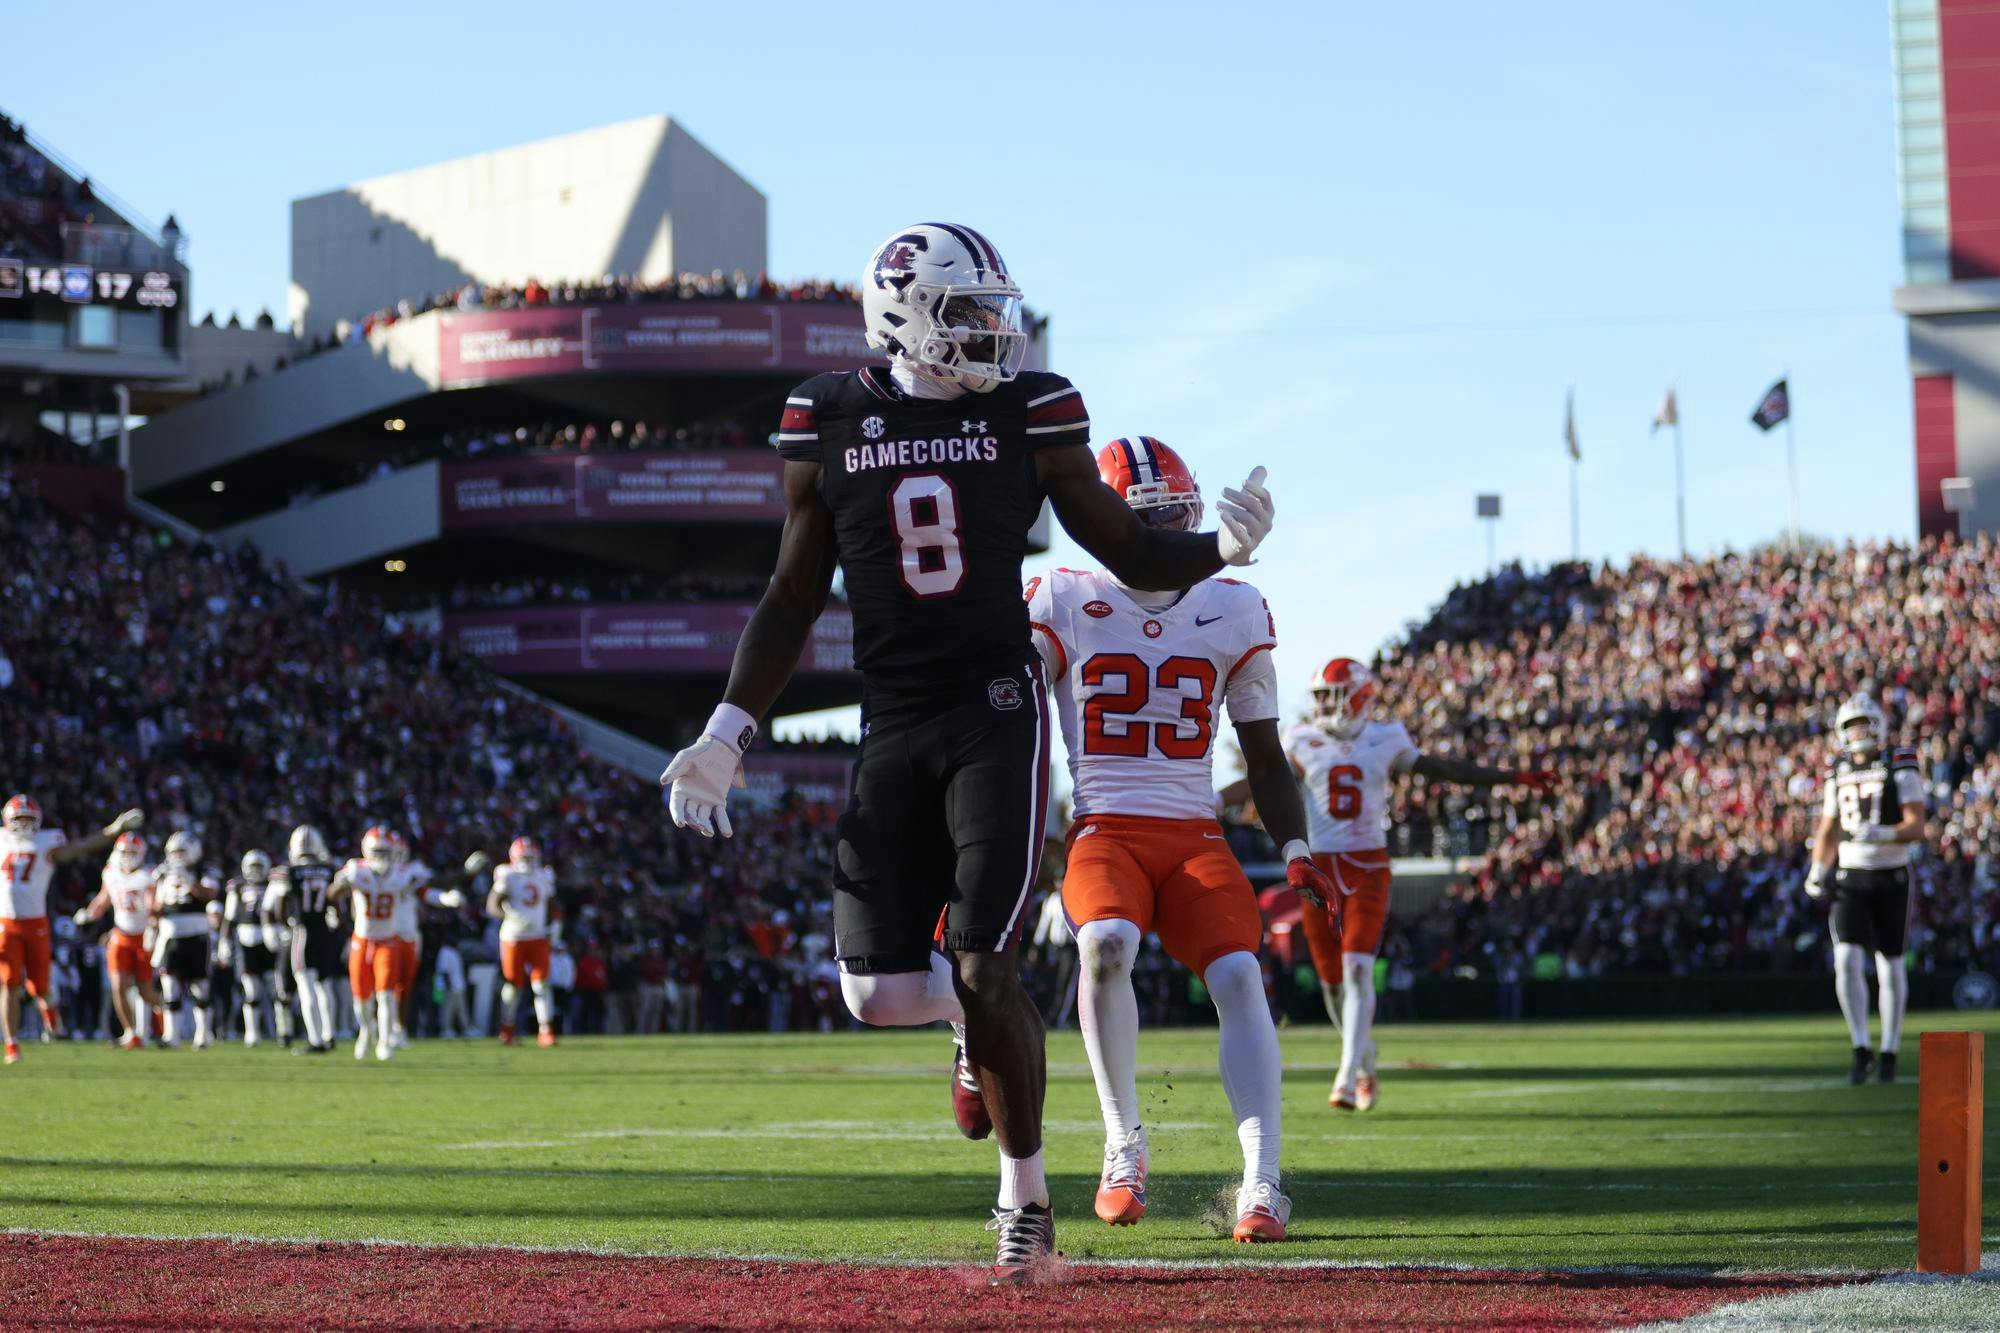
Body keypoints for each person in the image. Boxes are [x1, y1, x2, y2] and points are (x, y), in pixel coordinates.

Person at [660, 222, 1275, 1283]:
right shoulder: (827, 414)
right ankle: (968, 1022)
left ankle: (1025, 1199)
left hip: (995, 707)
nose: (993, 332)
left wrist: (1217, 549)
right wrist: (726, 729)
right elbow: (794, 592)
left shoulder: (1028, 408)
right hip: (889, 718)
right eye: (965, 313)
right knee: (874, 994)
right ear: (899, 311)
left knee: (990, 961)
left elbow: (1120, 543)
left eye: (996, 309)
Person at [1028, 437, 1337, 1243]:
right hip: (1105, 827)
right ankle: (1122, 1140)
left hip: (1196, 833)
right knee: (1104, 945)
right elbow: (1007, 719)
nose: (1165, 535)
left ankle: (1263, 1181)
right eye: (1147, 520)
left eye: (1175, 519)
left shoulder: (1232, 607)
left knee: (1240, 972)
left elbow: (1265, 754)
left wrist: (1298, 847)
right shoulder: (1060, 595)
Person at [1283, 659, 1554, 1111]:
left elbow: (1445, 769)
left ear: (1359, 695)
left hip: (1368, 865)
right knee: (1332, 985)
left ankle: (1347, 1076)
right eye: (1323, 697)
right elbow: (1265, 782)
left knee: (1357, 969)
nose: (1327, 705)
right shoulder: (1299, 738)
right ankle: (1366, 1060)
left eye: (1334, 694)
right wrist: (1211, 797)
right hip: (1320, 868)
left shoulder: (1387, 737)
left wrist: (1511, 778)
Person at [1806, 694, 1928, 1084]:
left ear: (1877, 724)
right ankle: (1861, 1048)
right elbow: (1828, 826)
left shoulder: (1899, 760)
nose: (1858, 731)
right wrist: (1817, 867)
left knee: (1890, 967)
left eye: (1864, 722)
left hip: (1891, 874)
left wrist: (1885, 832)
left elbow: (1917, 826)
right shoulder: (1837, 768)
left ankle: (1889, 1051)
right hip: (1850, 876)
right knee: (1845, 961)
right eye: (1851, 724)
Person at [0, 795, 142, 1063]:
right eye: (19, 818)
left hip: (36, 922)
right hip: (5, 922)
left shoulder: (46, 842)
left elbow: (79, 848)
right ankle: (12, 1043)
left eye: (28, 819)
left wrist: (114, 830)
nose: (23, 824)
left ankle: (49, 1007)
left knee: (39, 986)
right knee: (9, 982)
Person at [72, 831, 165, 1049]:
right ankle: (131, 1033)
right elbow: (103, 900)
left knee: (145, 990)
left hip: (144, 936)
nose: (129, 856)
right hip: (121, 936)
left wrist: (154, 923)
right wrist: (88, 913)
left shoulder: (148, 875)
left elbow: (154, 906)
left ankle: (167, 1019)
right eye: (126, 852)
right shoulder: (111, 873)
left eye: (133, 852)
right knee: (118, 985)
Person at [271, 825, 340, 1055]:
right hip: (324, 931)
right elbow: (336, 903)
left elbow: (279, 906)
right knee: (325, 986)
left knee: (306, 986)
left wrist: (286, 925)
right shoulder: (329, 870)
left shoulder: (288, 871)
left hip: (303, 932)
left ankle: (316, 1039)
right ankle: (330, 1034)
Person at [148, 830, 219, 1050]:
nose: (178, 857)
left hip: (197, 935)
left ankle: (203, 1035)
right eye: (175, 852)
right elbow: (157, 907)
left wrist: (190, 880)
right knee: (170, 987)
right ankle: (172, 1036)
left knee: (200, 988)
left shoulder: (204, 869)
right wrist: (152, 926)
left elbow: (209, 895)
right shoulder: (163, 873)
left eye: (182, 852)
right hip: (171, 936)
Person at [487, 836, 558, 1046]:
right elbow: (492, 905)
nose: (527, 861)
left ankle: (545, 1030)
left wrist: (552, 927)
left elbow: (552, 906)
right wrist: (508, 915)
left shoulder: (543, 876)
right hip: (513, 937)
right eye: (523, 857)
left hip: (537, 936)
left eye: (530, 857)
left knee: (541, 984)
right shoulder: (507, 874)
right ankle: (507, 1028)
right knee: (513, 985)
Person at [222, 850, 290, 1047]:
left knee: (276, 989)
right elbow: (229, 916)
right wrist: (225, 942)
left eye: (259, 867)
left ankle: (282, 1031)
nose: (255, 871)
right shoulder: (238, 886)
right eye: (252, 867)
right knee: (251, 991)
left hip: (270, 938)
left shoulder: (274, 884)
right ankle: (252, 1033)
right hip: (246, 939)